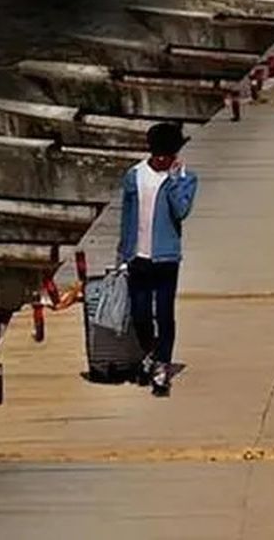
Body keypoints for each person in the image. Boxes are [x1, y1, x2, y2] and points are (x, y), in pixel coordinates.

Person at [116, 122, 199, 397]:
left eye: (169, 155)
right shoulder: (134, 175)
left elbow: (181, 211)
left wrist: (175, 181)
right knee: (140, 313)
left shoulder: (186, 178)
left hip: (166, 257)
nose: (164, 160)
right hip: (137, 255)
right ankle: (150, 353)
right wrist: (122, 254)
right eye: (160, 154)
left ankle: (162, 364)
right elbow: (126, 217)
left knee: (164, 313)